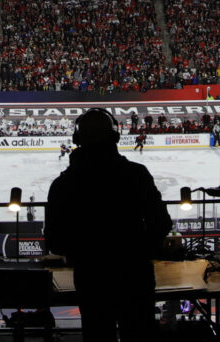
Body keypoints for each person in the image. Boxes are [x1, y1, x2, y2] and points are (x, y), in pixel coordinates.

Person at [45, 108, 172, 342]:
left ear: (78, 140)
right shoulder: (137, 175)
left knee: (98, 335)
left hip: (91, 280)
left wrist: (84, 252)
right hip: (135, 277)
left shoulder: (64, 184)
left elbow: (54, 240)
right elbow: (161, 223)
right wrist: (137, 250)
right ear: (115, 136)